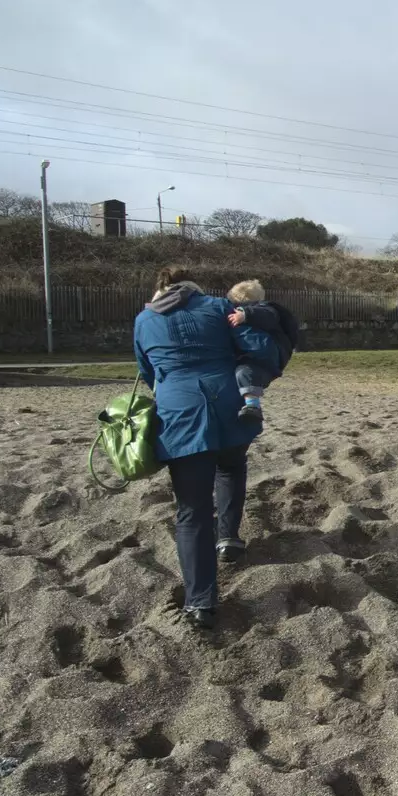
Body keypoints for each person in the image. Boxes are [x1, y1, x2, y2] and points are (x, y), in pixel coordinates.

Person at [133, 266, 272, 627]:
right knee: (230, 466)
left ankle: (201, 602)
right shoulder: (216, 307)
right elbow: (250, 345)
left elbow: (147, 370)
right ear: (192, 287)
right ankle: (228, 539)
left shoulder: (145, 319)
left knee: (191, 510)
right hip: (228, 405)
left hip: (179, 414)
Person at [224, 279, 301, 425]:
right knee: (245, 373)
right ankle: (249, 403)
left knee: (244, 373)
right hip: (253, 357)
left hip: (263, 355)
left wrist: (245, 314)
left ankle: (253, 406)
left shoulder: (265, 309)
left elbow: (267, 316)